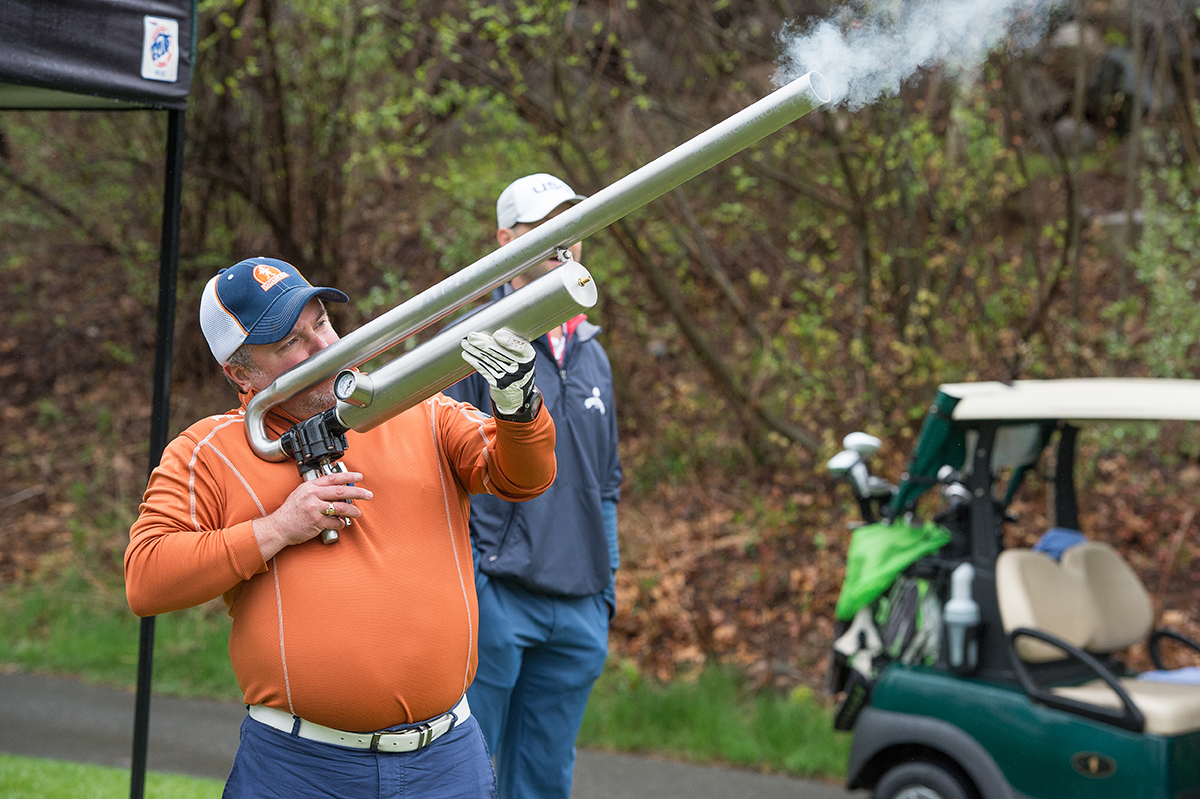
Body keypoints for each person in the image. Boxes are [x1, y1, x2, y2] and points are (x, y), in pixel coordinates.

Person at [124, 256, 557, 799]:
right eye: (290, 344)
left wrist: (520, 408)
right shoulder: (209, 452)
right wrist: (277, 528)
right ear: (241, 373)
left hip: (446, 761)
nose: (323, 347)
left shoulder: (414, 407)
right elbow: (146, 578)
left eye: (321, 324)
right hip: (298, 768)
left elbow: (523, 477)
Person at [443, 173, 622, 799]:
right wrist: (475, 587)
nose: (562, 243)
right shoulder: (472, 343)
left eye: (572, 227)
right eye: (543, 230)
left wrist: (606, 594)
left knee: (544, 781)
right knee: (471, 776)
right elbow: (442, 475)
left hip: (579, 607)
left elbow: (606, 486)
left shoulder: (592, 351)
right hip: (497, 599)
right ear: (505, 241)